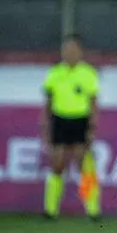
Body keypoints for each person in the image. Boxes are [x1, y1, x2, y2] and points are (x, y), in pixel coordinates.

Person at [41, 34, 101, 221]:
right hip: (59, 120)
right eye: (67, 50)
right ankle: (50, 210)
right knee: (57, 164)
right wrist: (45, 124)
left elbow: (93, 102)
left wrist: (92, 126)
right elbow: (48, 102)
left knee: (84, 165)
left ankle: (93, 210)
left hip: (80, 121)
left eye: (74, 50)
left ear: (80, 52)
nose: (70, 53)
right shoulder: (55, 73)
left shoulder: (88, 73)